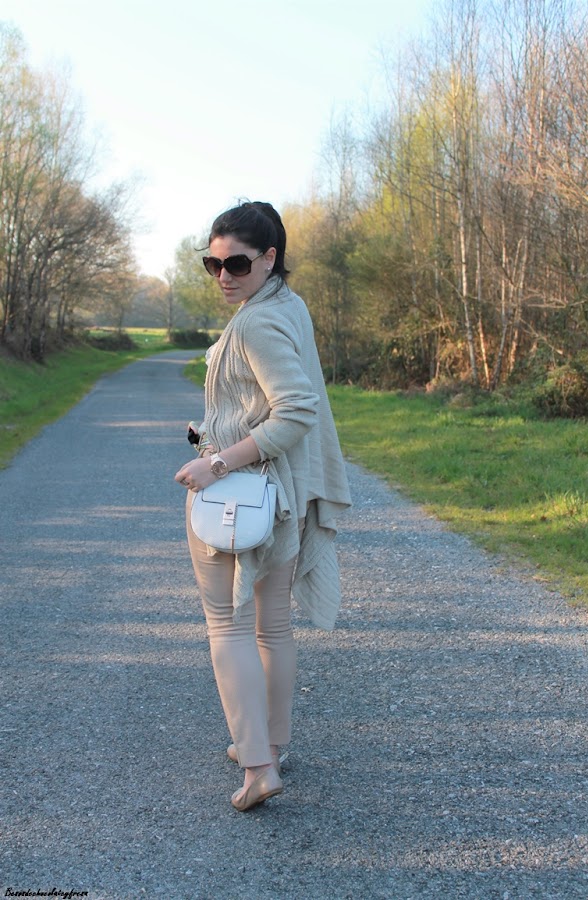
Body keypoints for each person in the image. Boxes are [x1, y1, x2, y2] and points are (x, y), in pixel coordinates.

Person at [174, 201, 351, 811]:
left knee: (227, 626)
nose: (223, 276)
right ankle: (271, 746)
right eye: (213, 264)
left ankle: (257, 767)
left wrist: (217, 462)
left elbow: (295, 409)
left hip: (244, 497)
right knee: (271, 627)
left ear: (270, 258)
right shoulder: (286, 305)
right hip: (282, 494)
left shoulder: (256, 323)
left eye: (237, 264)